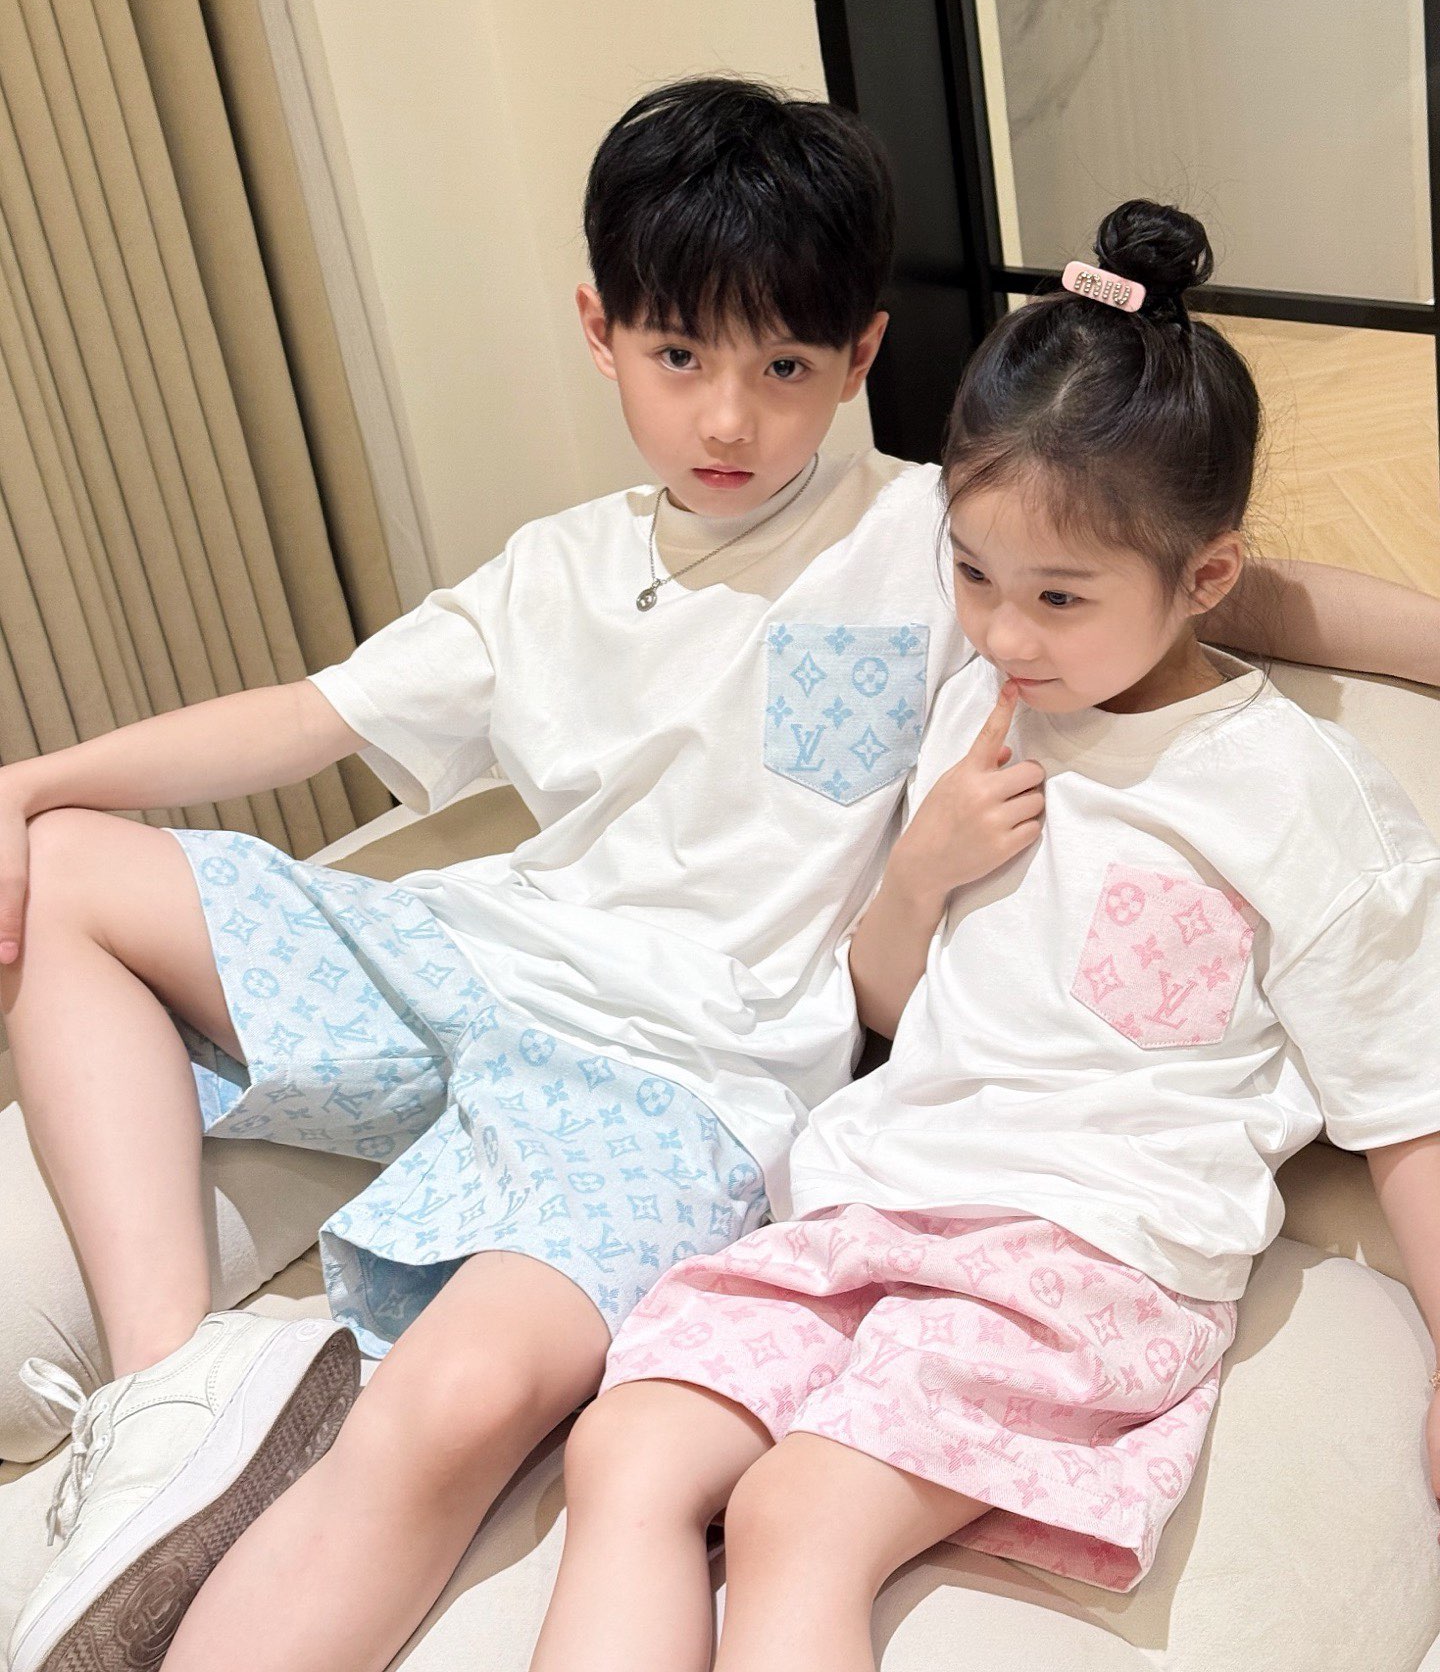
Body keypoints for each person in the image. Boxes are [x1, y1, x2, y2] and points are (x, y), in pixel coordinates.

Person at [1, 88, 1434, 1672]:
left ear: (863, 355)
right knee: (61, 869)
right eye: (680, 357)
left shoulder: (935, 541)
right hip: (481, 970)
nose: (729, 422)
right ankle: (169, 1393)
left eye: (785, 369)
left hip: (691, 1076)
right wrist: (36, 780)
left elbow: (1200, 579)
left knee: (492, 1410)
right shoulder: (575, 571)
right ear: (600, 332)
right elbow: (316, 712)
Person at [530, 202, 1440, 1672]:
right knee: (623, 1450)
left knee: (792, 1516)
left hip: (1088, 1251)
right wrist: (921, 870)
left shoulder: (1298, 800)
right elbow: (884, 1008)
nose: (1006, 633)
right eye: (972, 577)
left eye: (1060, 598)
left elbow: (1410, 1104)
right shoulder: (983, 707)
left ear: (1207, 579)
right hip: (872, 1201)